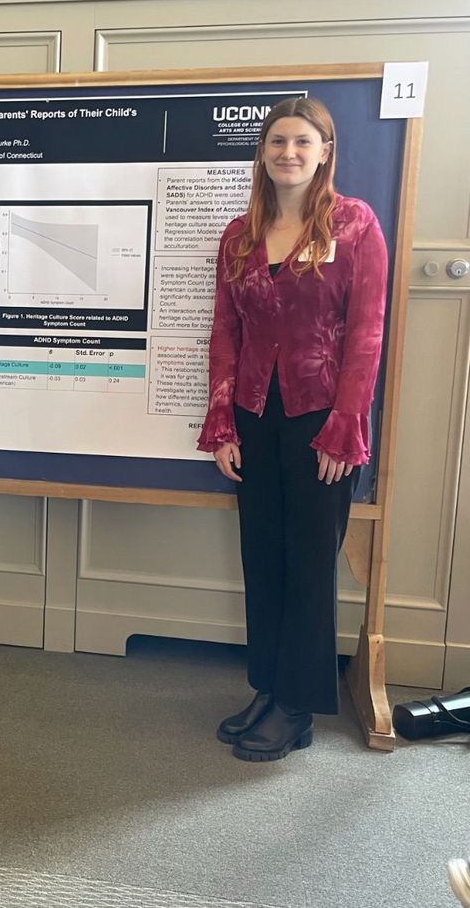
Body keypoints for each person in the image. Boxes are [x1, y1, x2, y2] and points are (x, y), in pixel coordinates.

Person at [197, 97, 388, 762]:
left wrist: (345, 425)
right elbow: (226, 331)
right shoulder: (240, 234)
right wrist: (222, 420)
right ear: (263, 151)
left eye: (302, 142)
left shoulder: (355, 224)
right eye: (277, 141)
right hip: (254, 415)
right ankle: (268, 686)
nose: (288, 153)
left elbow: (366, 334)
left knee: (308, 563)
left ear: (325, 150)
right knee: (264, 557)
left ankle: (298, 707)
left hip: (320, 421)